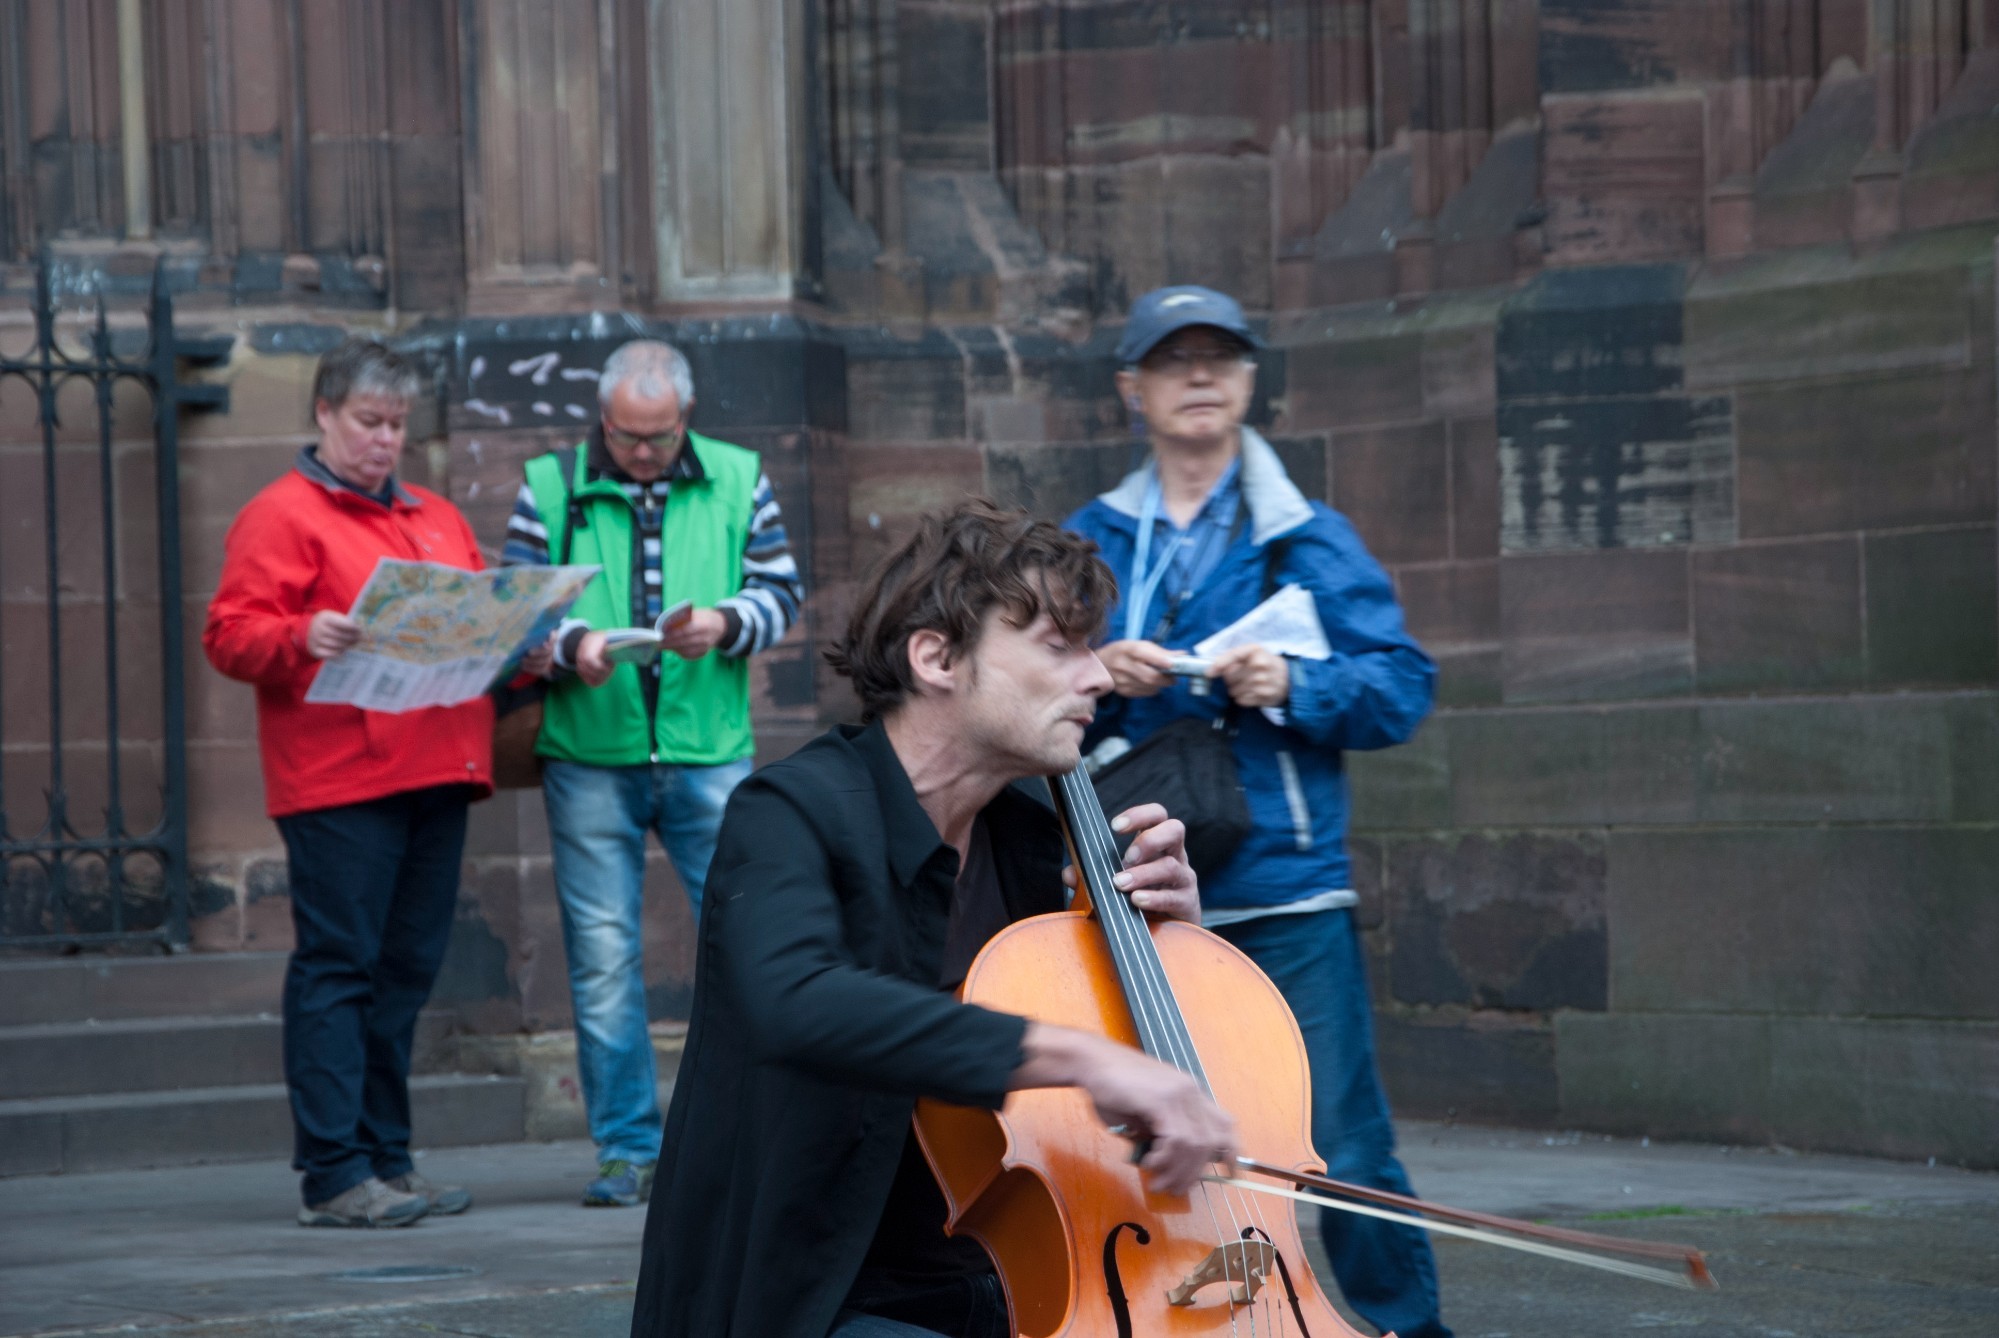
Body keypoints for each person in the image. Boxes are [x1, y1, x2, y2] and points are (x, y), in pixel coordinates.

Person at [629, 500, 1237, 1338]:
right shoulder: (788, 812)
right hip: (817, 1297)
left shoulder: (1029, 839)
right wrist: (1084, 1056)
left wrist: (1173, 947)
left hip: (1011, 1281)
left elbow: (1107, 1104)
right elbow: (795, 1000)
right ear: (936, 657)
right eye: (1060, 647)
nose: (1097, 676)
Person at [1063, 285, 1449, 1338]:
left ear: (1246, 381)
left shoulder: (1310, 539)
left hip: (1285, 888)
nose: (1199, 376)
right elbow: (1016, 682)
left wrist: (1295, 686)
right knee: (1146, 1141)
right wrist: (1096, 666)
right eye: (1173, 359)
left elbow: (1402, 688)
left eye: (1220, 359)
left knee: (1347, 1147)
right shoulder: (1088, 539)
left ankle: (1408, 1331)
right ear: (1131, 388)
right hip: (1134, 887)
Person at [204, 339, 535, 1228]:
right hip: (339, 778)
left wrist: (523, 650)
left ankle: (388, 1160)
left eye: (397, 425)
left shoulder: (433, 515)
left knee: (402, 977)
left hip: (436, 766)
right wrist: (300, 636)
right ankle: (334, 1174)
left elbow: (468, 634)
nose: (386, 440)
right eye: (369, 423)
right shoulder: (282, 514)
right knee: (340, 970)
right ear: (324, 413)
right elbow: (230, 635)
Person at [501, 339, 803, 1208]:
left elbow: (780, 593)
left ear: (685, 420)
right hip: (593, 754)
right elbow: (516, 614)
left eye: (661, 436)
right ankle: (627, 1152)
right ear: (604, 421)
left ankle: (744, 1134)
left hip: (709, 748)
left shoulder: (742, 477)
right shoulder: (548, 484)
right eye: (630, 437)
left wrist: (723, 620)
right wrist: (571, 645)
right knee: (601, 960)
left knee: (746, 945)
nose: (644, 453)